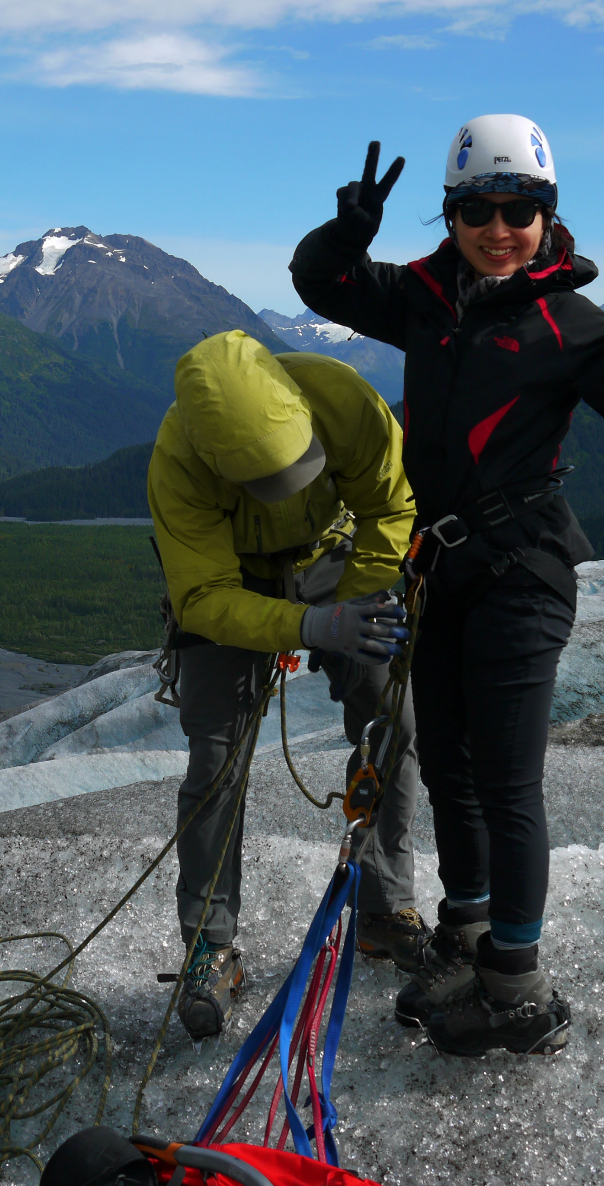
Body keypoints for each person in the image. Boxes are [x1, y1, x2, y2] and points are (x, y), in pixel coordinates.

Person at [290, 114, 604, 1057]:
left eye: (522, 209)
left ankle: (516, 985)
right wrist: (349, 229)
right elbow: (322, 282)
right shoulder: (429, 297)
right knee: (449, 767)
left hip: (523, 570)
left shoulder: (571, 318)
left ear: (548, 215)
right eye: (481, 207)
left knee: (508, 783)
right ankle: (468, 937)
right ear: (453, 212)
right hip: (443, 573)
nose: (500, 226)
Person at [148, 330, 428, 1041]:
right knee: (216, 759)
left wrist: (351, 610)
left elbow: (391, 510)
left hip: (334, 558)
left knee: (391, 718)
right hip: (232, 581)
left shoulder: (346, 401)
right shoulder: (179, 462)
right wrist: (306, 628)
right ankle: (209, 945)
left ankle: (382, 906)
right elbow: (205, 596)